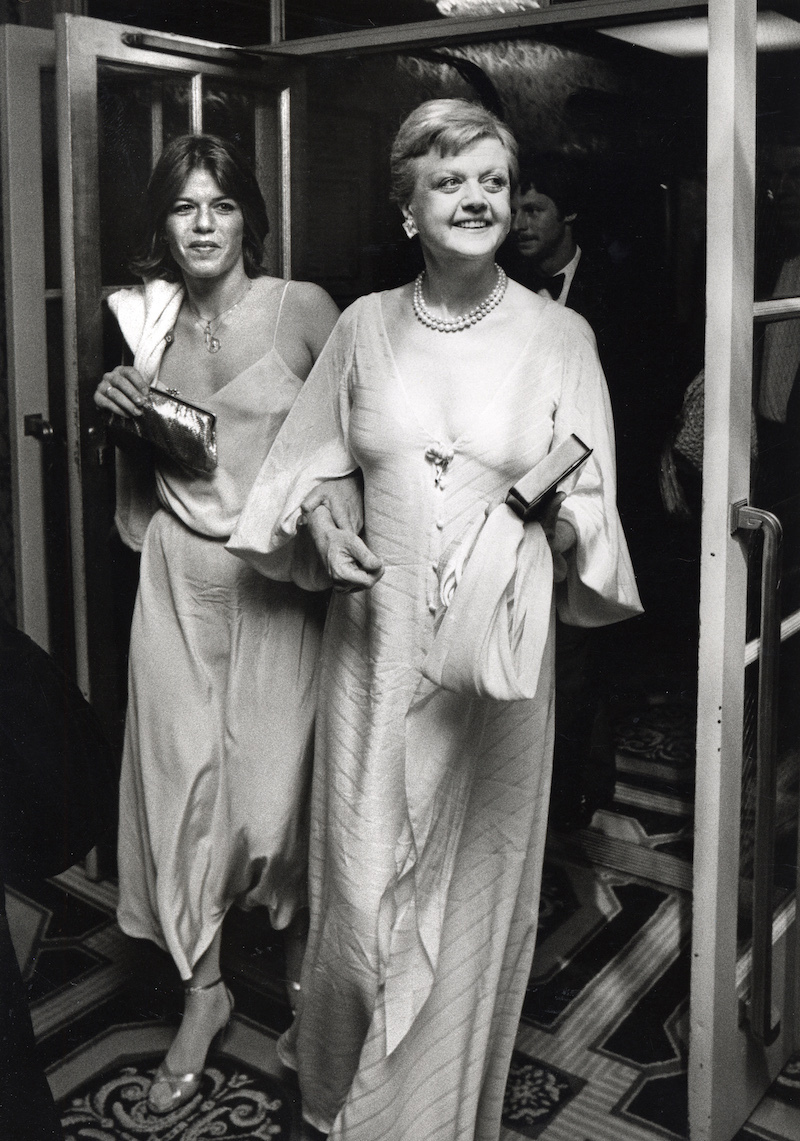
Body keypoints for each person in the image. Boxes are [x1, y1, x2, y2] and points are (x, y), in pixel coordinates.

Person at [229, 99, 641, 1140]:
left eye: (493, 181)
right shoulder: (364, 327)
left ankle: (431, 1120)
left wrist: (542, 531)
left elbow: (595, 527)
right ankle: (335, 1096)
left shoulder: (561, 336)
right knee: (360, 911)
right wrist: (323, 517)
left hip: (491, 681)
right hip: (373, 658)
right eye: (450, 179)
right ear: (407, 206)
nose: (476, 198)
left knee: (462, 921)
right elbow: (296, 476)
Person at [92, 134, 340, 1114]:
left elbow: (369, 443)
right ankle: (204, 993)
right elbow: (131, 506)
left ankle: (310, 990)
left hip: (274, 593)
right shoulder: (143, 327)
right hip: (175, 589)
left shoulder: (302, 309)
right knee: (174, 793)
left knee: (272, 808)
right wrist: (116, 418)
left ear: (248, 218)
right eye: (183, 207)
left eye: (221, 205)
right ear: (162, 224)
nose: (201, 224)